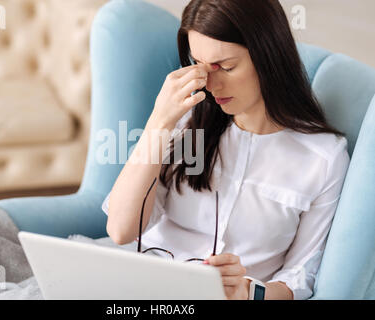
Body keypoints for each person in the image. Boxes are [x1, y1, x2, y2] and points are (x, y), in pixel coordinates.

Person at [102, 0, 350, 300]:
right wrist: (158, 122)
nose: (211, 84)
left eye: (227, 67)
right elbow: (121, 230)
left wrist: (248, 292)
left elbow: (301, 276)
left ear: (268, 55)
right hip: (141, 290)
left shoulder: (323, 158)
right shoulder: (187, 124)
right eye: (199, 66)